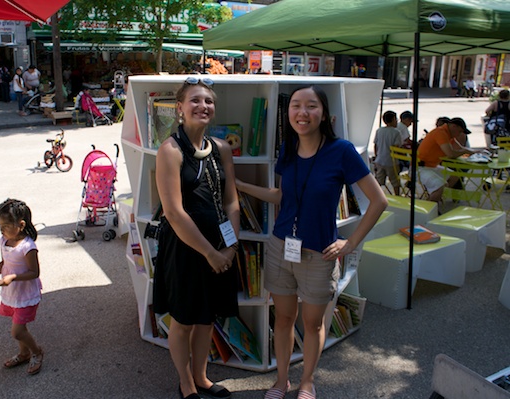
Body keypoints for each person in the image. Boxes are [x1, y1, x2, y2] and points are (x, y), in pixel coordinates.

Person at [236, 85, 387, 399]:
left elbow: (378, 201)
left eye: (311, 106)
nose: (302, 113)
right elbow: (280, 196)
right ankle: (281, 381)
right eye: (295, 106)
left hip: (320, 253)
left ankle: (307, 380)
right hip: (280, 247)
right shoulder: (288, 149)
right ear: (288, 112)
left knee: (314, 322)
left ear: (324, 114)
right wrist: (239, 185)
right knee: (284, 318)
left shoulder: (341, 151)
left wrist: (350, 244)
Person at [153, 77, 240, 399]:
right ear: (180, 108)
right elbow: (174, 213)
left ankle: (202, 377)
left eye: (208, 101)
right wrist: (211, 253)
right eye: (195, 100)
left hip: (220, 247)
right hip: (188, 250)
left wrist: (229, 246)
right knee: (184, 321)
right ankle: (186, 382)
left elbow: (230, 200)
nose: (203, 106)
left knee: (206, 319)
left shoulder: (222, 149)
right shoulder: (170, 150)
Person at [0, 199, 44, 376]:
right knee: (20, 328)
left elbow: (34, 272)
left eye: (6, 225)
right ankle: (24, 353)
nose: (2, 229)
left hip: (26, 295)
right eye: (0, 225)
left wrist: (13, 277)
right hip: (12, 294)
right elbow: (4, 261)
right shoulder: (4, 241)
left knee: (17, 332)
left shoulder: (28, 247)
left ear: (21, 224)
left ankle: (37, 351)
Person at [417, 117, 478, 204]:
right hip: (420, 167)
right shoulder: (441, 133)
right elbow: (451, 154)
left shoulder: (448, 134)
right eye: (459, 131)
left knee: (455, 176)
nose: (459, 134)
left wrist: (477, 152)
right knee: (440, 185)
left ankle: (438, 197)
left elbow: (460, 148)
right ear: (453, 126)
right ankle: (430, 207)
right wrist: (465, 151)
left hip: (432, 166)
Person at [373, 110, 403, 195]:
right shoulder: (396, 132)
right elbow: (396, 147)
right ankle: (398, 197)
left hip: (379, 160)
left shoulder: (379, 130)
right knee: (395, 182)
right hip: (391, 161)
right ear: (393, 119)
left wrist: (376, 155)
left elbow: (375, 145)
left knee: (378, 182)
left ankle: (376, 196)